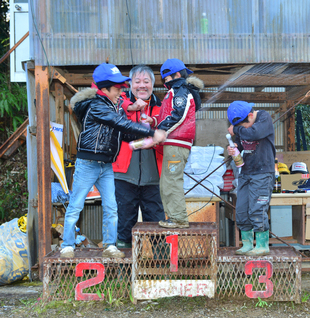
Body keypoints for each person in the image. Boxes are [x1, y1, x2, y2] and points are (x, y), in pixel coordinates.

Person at [60, 63, 167, 258]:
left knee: (116, 209)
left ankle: (113, 247)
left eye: (147, 81)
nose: (122, 91)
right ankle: (68, 245)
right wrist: (151, 131)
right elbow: (121, 123)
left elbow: (123, 132)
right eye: (118, 88)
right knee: (80, 205)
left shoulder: (146, 106)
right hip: (105, 168)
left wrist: (146, 138)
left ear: (153, 84)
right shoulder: (104, 105)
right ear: (105, 88)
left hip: (124, 169)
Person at [112, 65, 165, 248]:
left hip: (154, 175)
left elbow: (170, 136)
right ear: (130, 85)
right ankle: (124, 269)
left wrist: (156, 128)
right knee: (124, 221)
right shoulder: (120, 104)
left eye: (146, 81)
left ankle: (161, 267)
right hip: (123, 173)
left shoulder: (161, 107)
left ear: (153, 84)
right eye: (137, 81)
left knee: (157, 221)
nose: (142, 86)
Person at [154, 59, 204, 229]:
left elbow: (178, 114)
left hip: (176, 143)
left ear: (175, 75)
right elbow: (169, 114)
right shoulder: (179, 90)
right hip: (175, 142)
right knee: (167, 180)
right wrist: (154, 121)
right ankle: (174, 217)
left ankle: (178, 218)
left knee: (172, 181)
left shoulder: (179, 90)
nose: (164, 82)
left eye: (165, 78)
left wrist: (161, 130)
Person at [226, 101, 275, 256]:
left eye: (244, 125)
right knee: (241, 210)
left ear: (250, 115)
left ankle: (262, 245)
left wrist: (237, 130)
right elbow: (242, 142)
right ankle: (247, 243)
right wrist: (234, 148)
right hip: (246, 173)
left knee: (257, 209)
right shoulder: (242, 129)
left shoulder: (264, 117)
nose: (243, 129)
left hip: (262, 173)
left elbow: (253, 133)